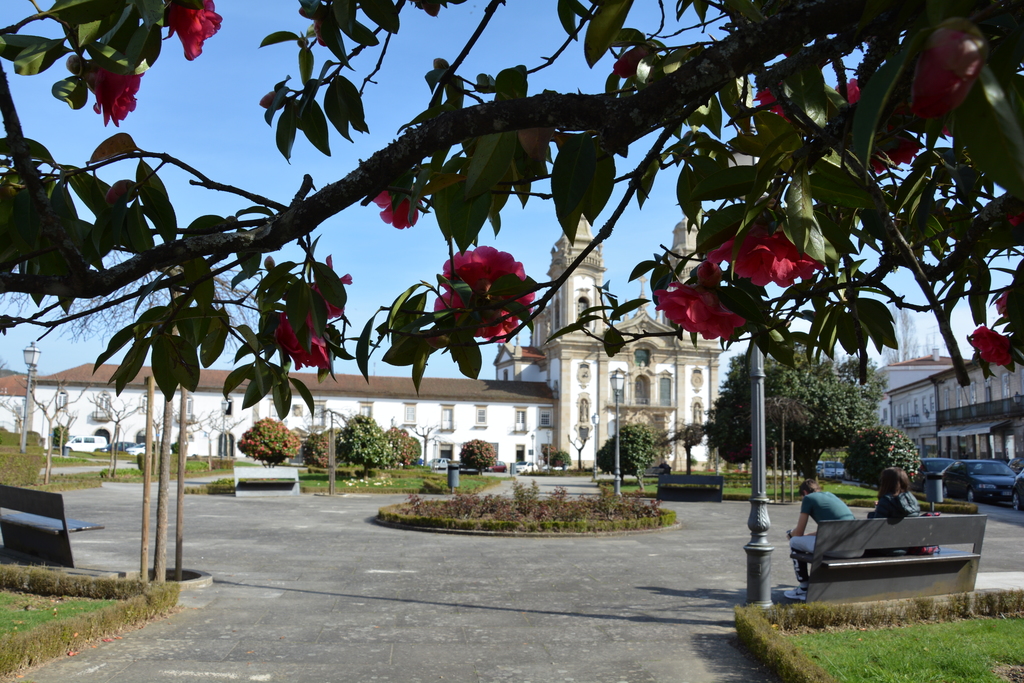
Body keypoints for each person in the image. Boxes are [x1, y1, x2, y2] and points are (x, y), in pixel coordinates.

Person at [784, 479, 856, 602]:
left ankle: (803, 588)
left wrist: (790, 534)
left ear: (805, 492)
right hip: (856, 547)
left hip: (839, 549)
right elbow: (826, 531)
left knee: (794, 542)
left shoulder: (808, 498)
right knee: (803, 541)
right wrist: (807, 536)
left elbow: (799, 532)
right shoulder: (831, 496)